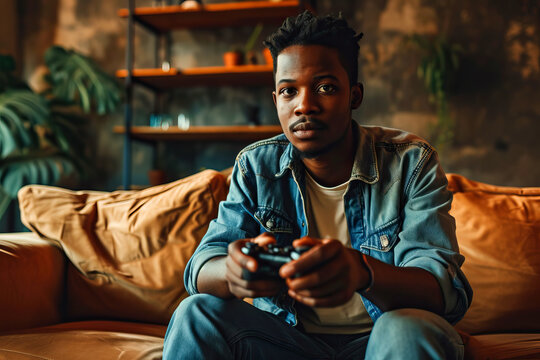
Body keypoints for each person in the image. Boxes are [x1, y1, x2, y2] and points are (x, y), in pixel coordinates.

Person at [163, 10, 472, 360]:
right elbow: (201, 268)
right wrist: (233, 274)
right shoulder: (255, 166)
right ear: (276, 99)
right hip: (287, 343)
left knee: (403, 329)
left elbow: (441, 289)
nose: (304, 106)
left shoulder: (410, 162)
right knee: (195, 313)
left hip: (380, 340)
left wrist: (362, 272)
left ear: (354, 96)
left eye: (325, 88)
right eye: (288, 91)